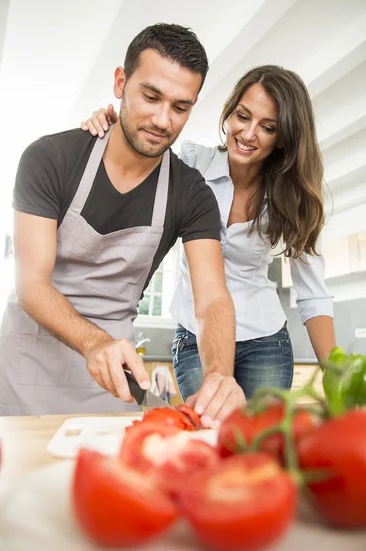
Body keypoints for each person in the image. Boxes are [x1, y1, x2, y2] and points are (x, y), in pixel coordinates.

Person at [0, 23, 245, 423]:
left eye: (180, 107)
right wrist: (95, 343)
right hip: (25, 371)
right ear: (120, 82)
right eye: (151, 97)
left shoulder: (190, 192)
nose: (163, 120)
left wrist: (219, 375)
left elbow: (212, 297)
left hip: (112, 383)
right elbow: (31, 284)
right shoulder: (50, 159)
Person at [82, 64, 336, 401]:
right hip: (195, 339)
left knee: (260, 442)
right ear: (229, 113)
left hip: (266, 343)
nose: (248, 134)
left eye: (268, 127)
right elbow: (134, 160)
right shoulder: (190, 163)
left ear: (283, 138)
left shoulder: (291, 197)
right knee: (208, 434)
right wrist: (108, 129)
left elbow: (313, 294)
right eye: (242, 116)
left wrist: (337, 379)